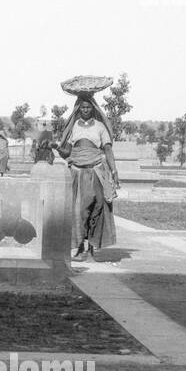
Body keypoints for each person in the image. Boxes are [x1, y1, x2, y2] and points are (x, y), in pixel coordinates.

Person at [57, 92, 119, 261]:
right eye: (82, 107)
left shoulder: (100, 127)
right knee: (78, 211)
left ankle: (91, 248)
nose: (85, 110)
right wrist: (55, 146)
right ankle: (80, 248)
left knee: (97, 207)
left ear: (93, 109)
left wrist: (114, 171)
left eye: (88, 107)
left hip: (96, 171)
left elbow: (107, 149)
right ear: (78, 109)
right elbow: (66, 153)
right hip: (77, 172)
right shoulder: (74, 128)